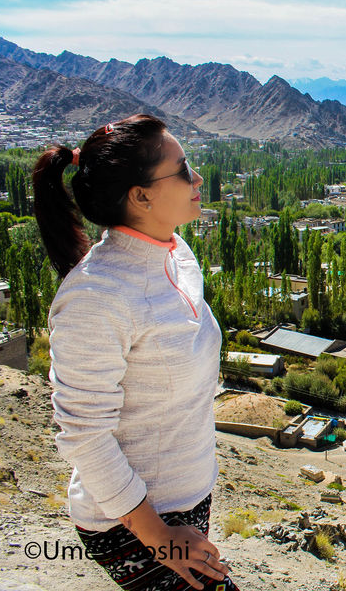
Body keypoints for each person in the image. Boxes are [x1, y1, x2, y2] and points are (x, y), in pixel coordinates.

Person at [32, 115, 238, 591]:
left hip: (186, 499)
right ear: (140, 196)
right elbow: (84, 435)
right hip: (134, 523)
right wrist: (160, 537)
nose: (198, 179)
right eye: (183, 168)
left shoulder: (175, 254)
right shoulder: (96, 296)